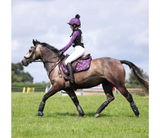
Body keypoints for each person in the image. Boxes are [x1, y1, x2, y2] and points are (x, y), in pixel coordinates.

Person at [59, 14, 85, 85]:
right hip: (78, 49)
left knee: (67, 61)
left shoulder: (76, 32)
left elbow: (70, 43)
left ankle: (71, 78)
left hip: (79, 50)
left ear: (74, 25)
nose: (70, 26)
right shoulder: (76, 32)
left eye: (71, 25)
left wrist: (62, 50)